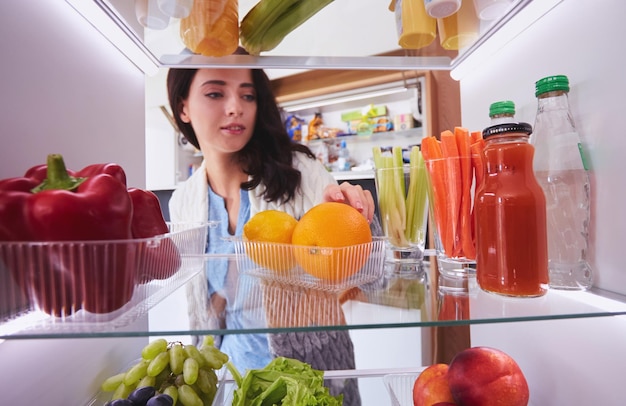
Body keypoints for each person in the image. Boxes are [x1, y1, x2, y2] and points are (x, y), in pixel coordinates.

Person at [166, 64, 374, 405]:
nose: (236, 106)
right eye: (215, 93)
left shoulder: (299, 173)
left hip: (310, 376)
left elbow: (361, 281)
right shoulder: (184, 200)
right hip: (232, 379)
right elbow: (209, 302)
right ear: (183, 107)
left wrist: (357, 218)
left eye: (247, 95)